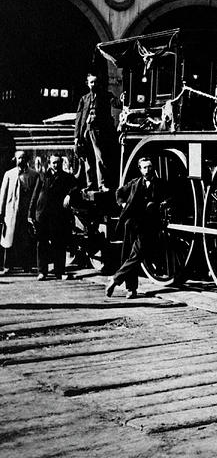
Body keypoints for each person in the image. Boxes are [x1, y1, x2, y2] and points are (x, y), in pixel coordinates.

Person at [106, 157, 169, 299]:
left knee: (137, 254)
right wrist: (123, 205)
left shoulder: (160, 184)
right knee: (129, 255)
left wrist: (163, 204)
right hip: (131, 224)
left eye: (150, 167)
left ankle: (115, 279)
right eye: (144, 167)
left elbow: (170, 197)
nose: (147, 170)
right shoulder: (134, 183)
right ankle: (131, 289)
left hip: (148, 225)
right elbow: (119, 193)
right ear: (140, 169)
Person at [28, 153, 79, 280]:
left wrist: (69, 195)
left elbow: (76, 186)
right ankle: (42, 272)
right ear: (49, 164)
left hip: (58, 215)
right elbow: (35, 195)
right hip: (43, 214)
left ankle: (59, 271)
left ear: (62, 163)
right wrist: (30, 213)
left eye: (58, 162)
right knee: (42, 243)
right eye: (54, 163)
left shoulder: (67, 177)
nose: (56, 165)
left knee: (59, 243)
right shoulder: (42, 176)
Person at [74, 72, 118, 191]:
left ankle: (102, 184)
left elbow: (116, 103)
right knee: (88, 160)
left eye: (96, 82)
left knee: (100, 158)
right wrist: (77, 137)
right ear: (87, 84)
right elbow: (78, 118)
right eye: (91, 82)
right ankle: (90, 184)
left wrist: (121, 99)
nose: (94, 84)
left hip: (99, 131)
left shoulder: (106, 96)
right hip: (86, 131)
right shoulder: (84, 99)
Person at [0, 151, 40, 274]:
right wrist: (1, 212)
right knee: (9, 240)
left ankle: (26, 265)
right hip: (11, 211)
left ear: (27, 159)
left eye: (23, 158)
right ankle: (7, 266)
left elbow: (36, 194)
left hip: (26, 212)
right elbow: (3, 194)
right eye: (18, 158)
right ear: (15, 159)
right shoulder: (9, 174)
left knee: (26, 240)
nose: (21, 160)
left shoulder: (34, 175)